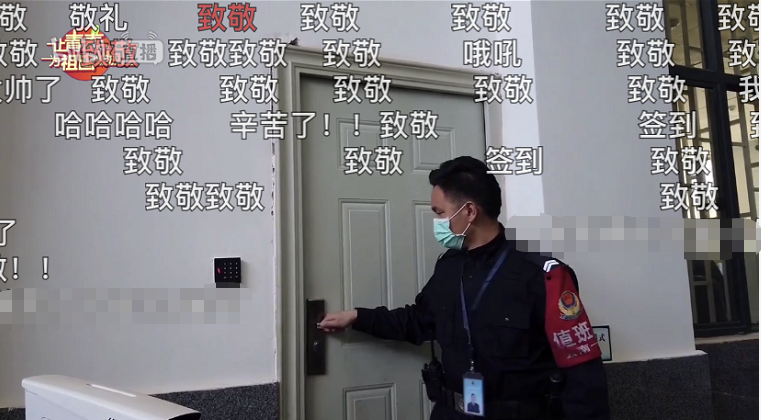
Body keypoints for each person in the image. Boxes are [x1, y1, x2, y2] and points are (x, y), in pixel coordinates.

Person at [319, 156, 610, 420]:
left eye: (440, 212)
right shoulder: (449, 266)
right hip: (452, 412)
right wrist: (357, 316)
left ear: (469, 211)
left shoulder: (543, 275)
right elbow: (418, 321)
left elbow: (583, 372)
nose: (437, 222)